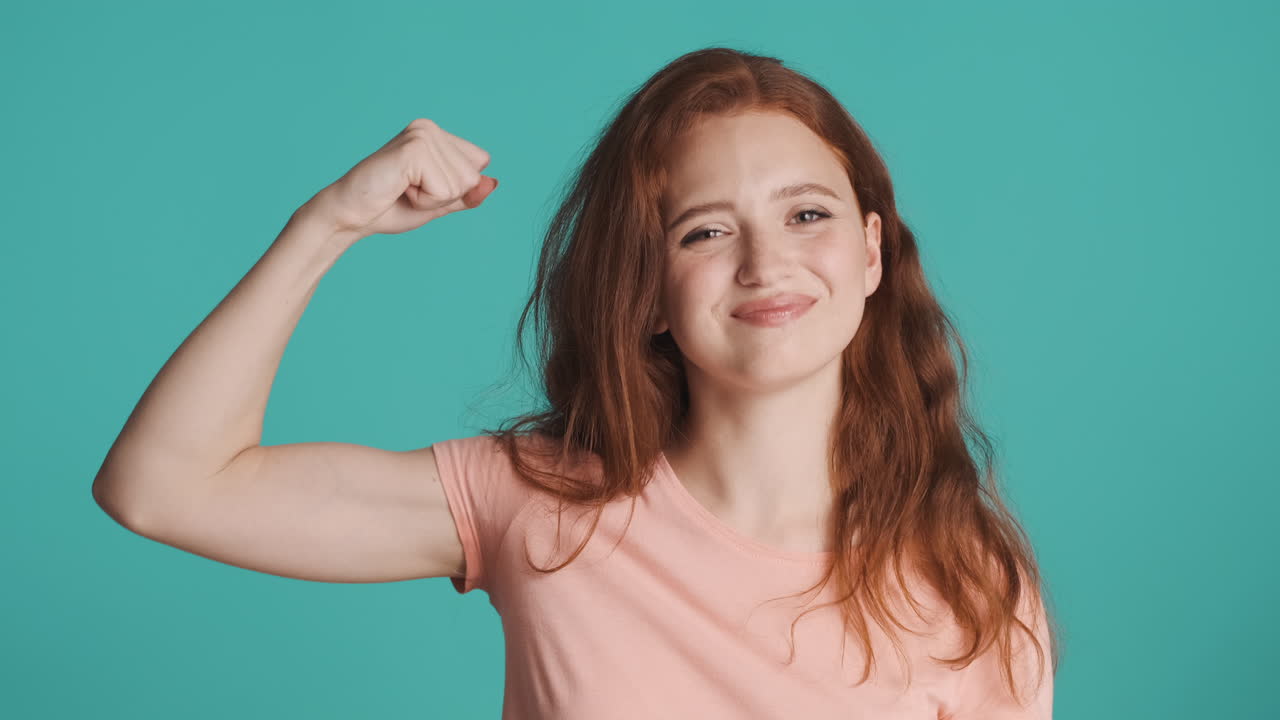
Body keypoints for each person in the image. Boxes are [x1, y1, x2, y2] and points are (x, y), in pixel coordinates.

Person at [92, 47, 1059, 718]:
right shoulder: (538, 502)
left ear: (872, 253)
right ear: (648, 290)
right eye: (705, 231)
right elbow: (164, 488)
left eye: (807, 215)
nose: (766, 264)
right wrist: (328, 224)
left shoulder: (969, 581)